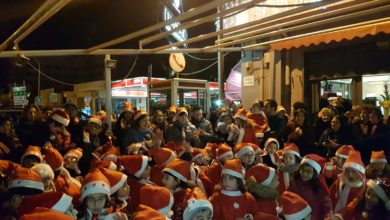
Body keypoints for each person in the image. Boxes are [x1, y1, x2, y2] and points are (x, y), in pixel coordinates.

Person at [289, 154, 332, 220]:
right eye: (302, 170)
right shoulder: (295, 182)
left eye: (308, 172)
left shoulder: (320, 188)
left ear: (315, 174)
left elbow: (327, 206)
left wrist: (327, 217)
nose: (304, 174)